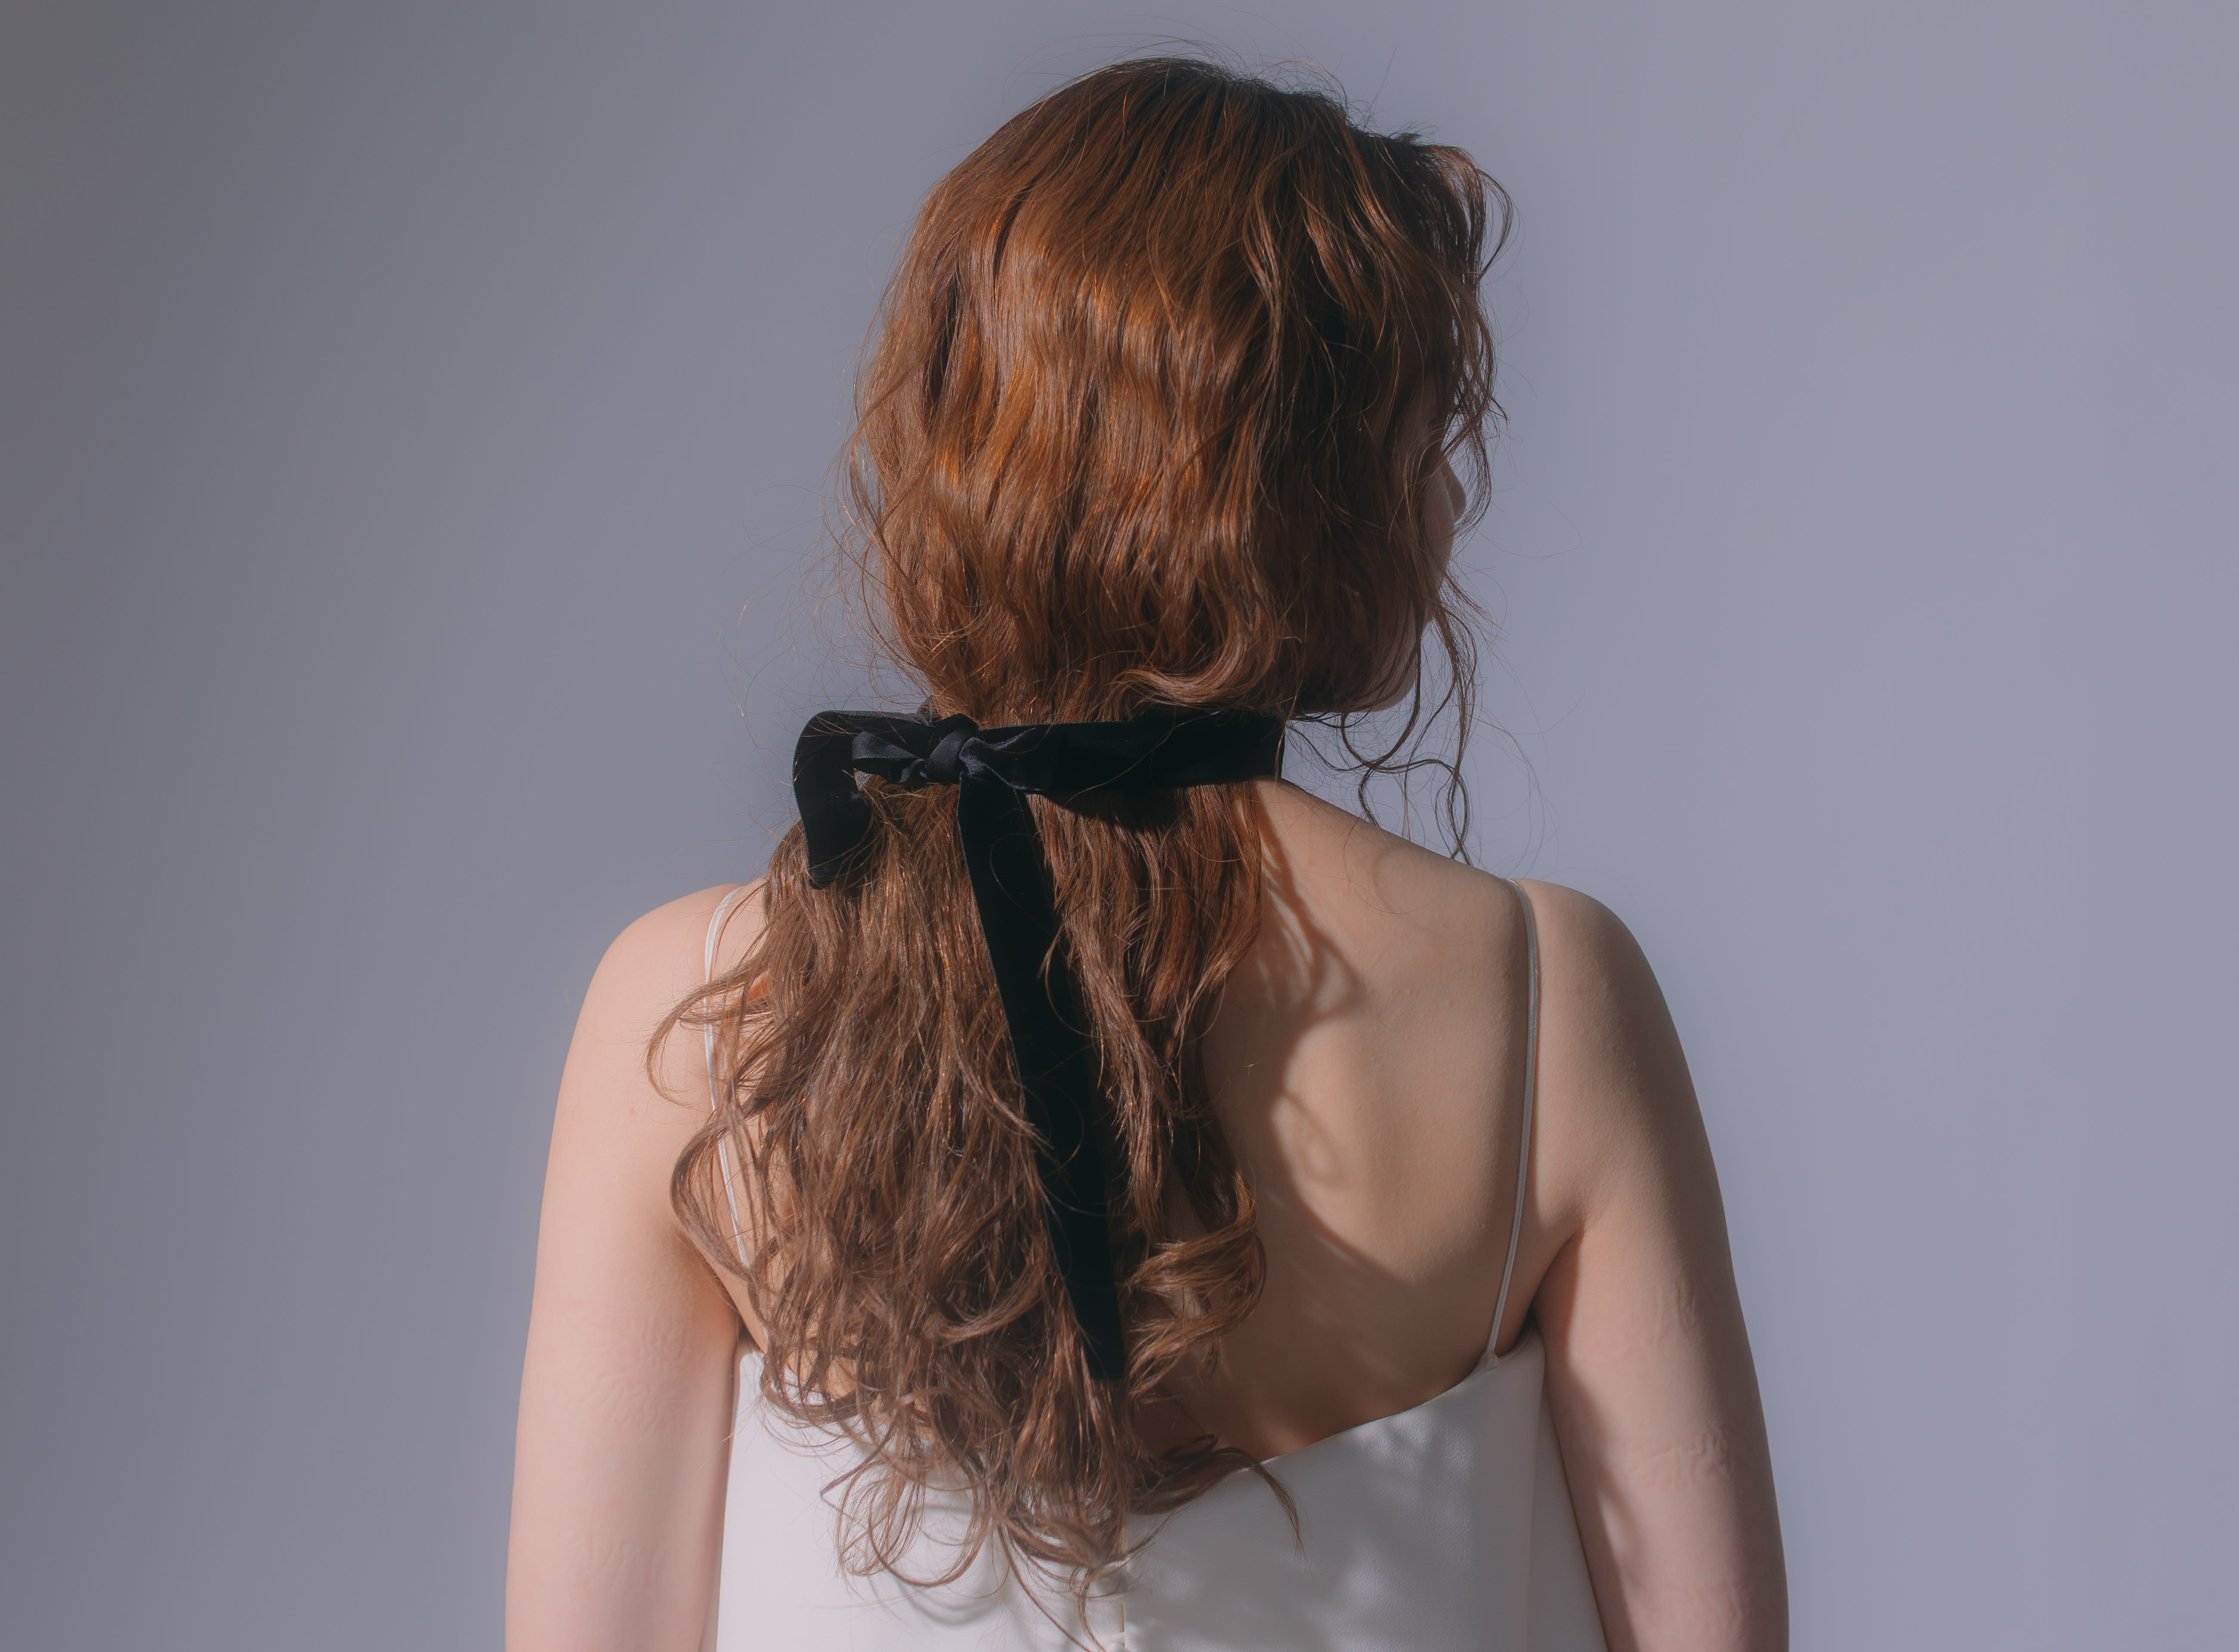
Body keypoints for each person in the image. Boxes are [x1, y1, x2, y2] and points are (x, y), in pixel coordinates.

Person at [507, 55, 1787, 1652]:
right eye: (1417, 432)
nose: (1452, 494)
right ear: (1296, 485)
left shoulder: (686, 1007)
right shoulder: (1544, 996)